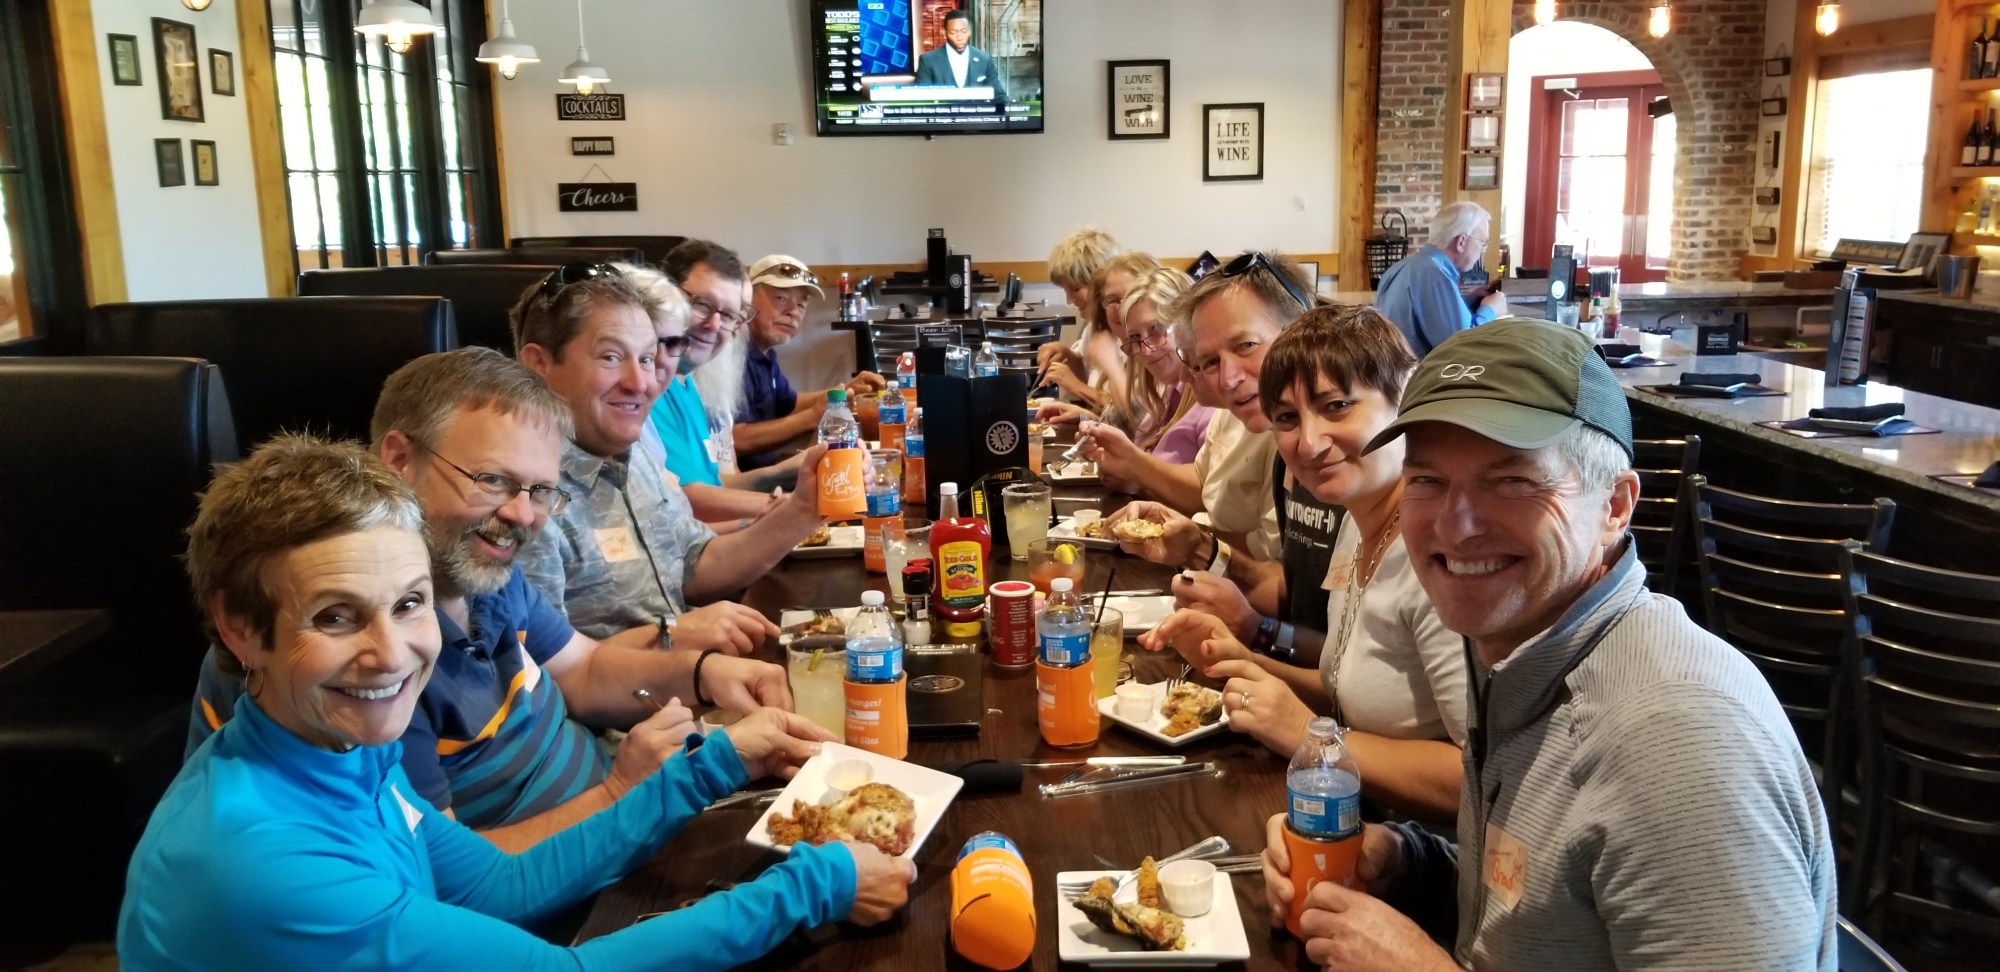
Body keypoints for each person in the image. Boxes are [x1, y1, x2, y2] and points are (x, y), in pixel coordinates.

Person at [127, 435, 913, 970]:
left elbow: (494, 886)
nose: (392, 656)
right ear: (238, 625)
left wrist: (710, 767)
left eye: (408, 605)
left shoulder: (339, 746)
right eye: (335, 617)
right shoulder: (255, 861)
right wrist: (819, 883)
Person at [1261, 319, 1835, 970]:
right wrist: (1403, 863)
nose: (1456, 524)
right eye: (1427, 480)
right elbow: (1541, 907)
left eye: (1513, 481)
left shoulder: (1680, 744)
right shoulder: (1523, 649)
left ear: (1615, 506)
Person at [187, 347, 795, 849]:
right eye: (494, 480)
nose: (522, 515)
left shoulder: (476, 572)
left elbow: (582, 669)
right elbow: (450, 882)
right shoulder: (367, 663)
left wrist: (705, 673)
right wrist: (628, 795)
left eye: (540, 491)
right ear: (398, 460)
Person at [1139, 306, 1464, 824]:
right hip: (1344, 816)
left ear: (1404, 399)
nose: (1308, 443)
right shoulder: (1358, 518)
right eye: (1287, 418)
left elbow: (1480, 779)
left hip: (1421, 857)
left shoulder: (1441, 556)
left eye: (1336, 406)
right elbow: (1349, 691)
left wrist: (1312, 736)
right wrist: (1242, 656)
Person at [515, 262, 829, 646]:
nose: (642, 383)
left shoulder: (633, 456)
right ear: (539, 363)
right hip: (636, 701)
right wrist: (674, 635)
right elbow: (541, 669)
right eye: (611, 357)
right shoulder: (523, 499)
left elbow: (697, 562)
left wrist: (804, 510)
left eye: (647, 359)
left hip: (685, 682)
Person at [1036, 265, 1212, 463]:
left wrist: (1107, 371)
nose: (1119, 308)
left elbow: (1133, 421)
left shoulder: (1206, 394)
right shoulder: (1167, 382)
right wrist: (1087, 419)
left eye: (1156, 329)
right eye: (1111, 301)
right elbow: (1139, 437)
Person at [732, 255, 885, 472]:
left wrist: (844, 391)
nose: (792, 311)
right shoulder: (732, 355)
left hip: (769, 470)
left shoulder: (764, 354)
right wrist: (813, 417)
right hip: (745, 486)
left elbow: (790, 402)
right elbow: (735, 440)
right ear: (747, 299)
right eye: (780, 298)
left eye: (801, 305)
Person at [1373, 201, 1508, 358]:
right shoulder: (1435, 273)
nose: (1483, 250)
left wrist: (1467, 300)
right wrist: (1490, 310)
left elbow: (1429, 316)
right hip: (1421, 379)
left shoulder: (1399, 268)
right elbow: (1464, 349)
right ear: (1461, 242)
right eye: (1483, 242)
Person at [1036, 227, 1121, 405]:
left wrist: (1076, 387)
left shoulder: (1128, 334)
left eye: (1075, 288)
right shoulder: (1092, 327)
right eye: (1065, 290)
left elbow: (1133, 412)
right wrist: (1067, 355)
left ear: (1103, 283)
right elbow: (1088, 373)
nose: (1069, 300)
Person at [913, 9, 1007, 101]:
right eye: (953, 32)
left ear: (970, 31)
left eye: (964, 31)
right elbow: (920, 98)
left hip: (976, 115)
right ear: (945, 32)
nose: (959, 37)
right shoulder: (928, 61)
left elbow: (998, 95)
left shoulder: (984, 59)